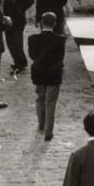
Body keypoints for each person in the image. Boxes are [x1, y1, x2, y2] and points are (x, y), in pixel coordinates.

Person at [28, 11, 66, 141]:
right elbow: (60, 58)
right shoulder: (60, 39)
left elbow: (32, 56)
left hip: (38, 72)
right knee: (50, 103)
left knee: (40, 99)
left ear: (40, 24)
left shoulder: (32, 39)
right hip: (53, 74)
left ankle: (41, 124)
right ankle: (48, 132)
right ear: (55, 24)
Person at [3, 0, 34, 75]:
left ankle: (21, 64)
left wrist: (19, 9)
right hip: (10, 20)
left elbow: (30, 0)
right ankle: (18, 62)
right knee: (11, 42)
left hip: (17, 21)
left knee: (16, 43)